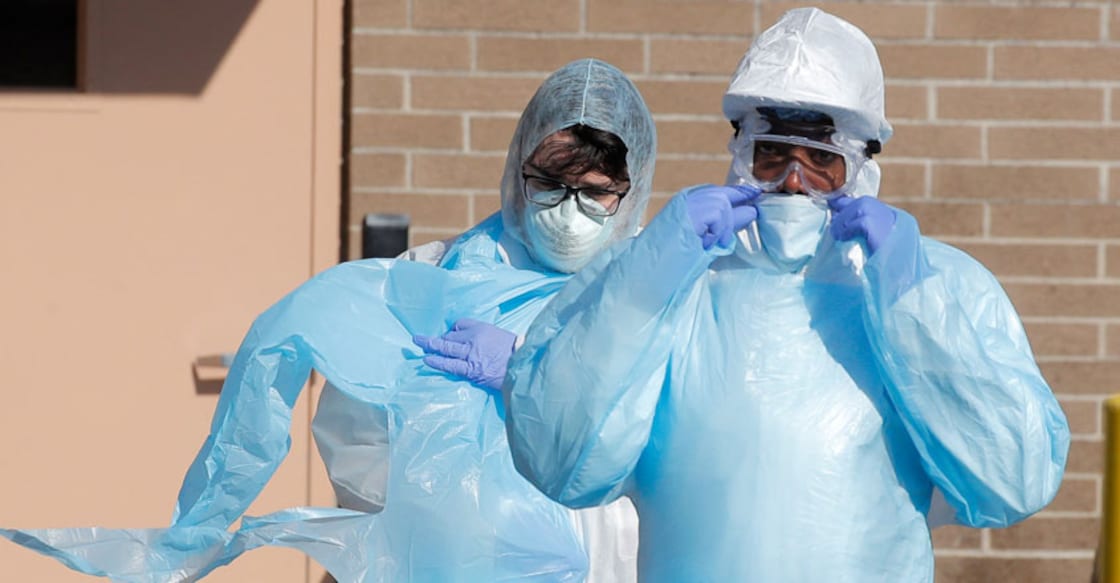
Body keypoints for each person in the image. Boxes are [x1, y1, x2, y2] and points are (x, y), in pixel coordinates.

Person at [1, 58, 652, 583]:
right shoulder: (430, 280)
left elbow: (672, 446)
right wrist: (421, 522)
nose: (570, 209)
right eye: (550, 183)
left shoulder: (658, 303)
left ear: (630, 192)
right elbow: (357, 440)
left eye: (595, 191)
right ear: (517, 173)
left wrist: (532, 377)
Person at [503, 9, 1070, 582]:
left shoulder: (938, 284)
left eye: (822, 160)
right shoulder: (675, 276)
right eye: (771, 154)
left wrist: (911, 301)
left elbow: (1013, 480)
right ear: (741, 151)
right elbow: (557, 459)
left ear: (862, 163)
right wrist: (648, 276)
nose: (793, 182)